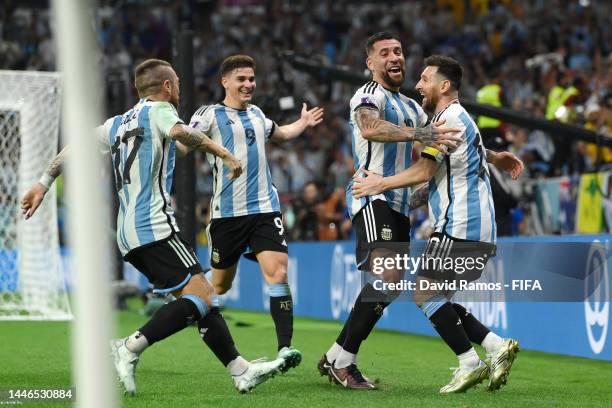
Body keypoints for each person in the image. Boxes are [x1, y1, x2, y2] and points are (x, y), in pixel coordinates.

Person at [20, 59, 290, 395]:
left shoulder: (116, 123)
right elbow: (181, 132)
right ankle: (130, 346)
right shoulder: (159, 110)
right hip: (154, 225)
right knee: (205, 296)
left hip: (127, 233)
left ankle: (240, 370)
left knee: (200, 298)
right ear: (166, 87)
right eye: (176, 81)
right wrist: (225, 154)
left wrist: (43, 183)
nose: (178, 87)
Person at [353, 55, 524, 393]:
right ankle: (495, 346)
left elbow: (424, 172)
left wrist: (380, 185)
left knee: (424, 292)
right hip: (478, 225)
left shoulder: (447, 120)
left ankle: (469, 363)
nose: (418, 85)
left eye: (426, 79)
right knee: (439, 298)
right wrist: (496, 156)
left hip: (460, 223)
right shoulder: (460, 119)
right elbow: (435, 178)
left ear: (444, 86)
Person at [317, 32, 463, 390]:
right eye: (385, 53)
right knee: (388, 278)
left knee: (387, 286)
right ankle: (344, 363)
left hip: (398, 205)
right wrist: (419, 135)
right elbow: (370, 128)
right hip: (371, 196)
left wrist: (489, 157)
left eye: (398, 50)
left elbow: (445, 135)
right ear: (371, 63)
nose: (394, 57)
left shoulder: (412, 107)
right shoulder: (368, 95)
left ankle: (335, 355)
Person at [188, 54, 324, 371]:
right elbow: (186, 139)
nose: (249, 84)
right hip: (228, 215)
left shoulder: (259, 114)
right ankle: (188, 296)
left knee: (278, 273)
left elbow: (282, 133)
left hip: (265, 208)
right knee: (219, 287)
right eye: (241, 79)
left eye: (251, 79)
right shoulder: (209, 114)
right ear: (225, 82)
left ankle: (285, 349)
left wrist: (302, 123)